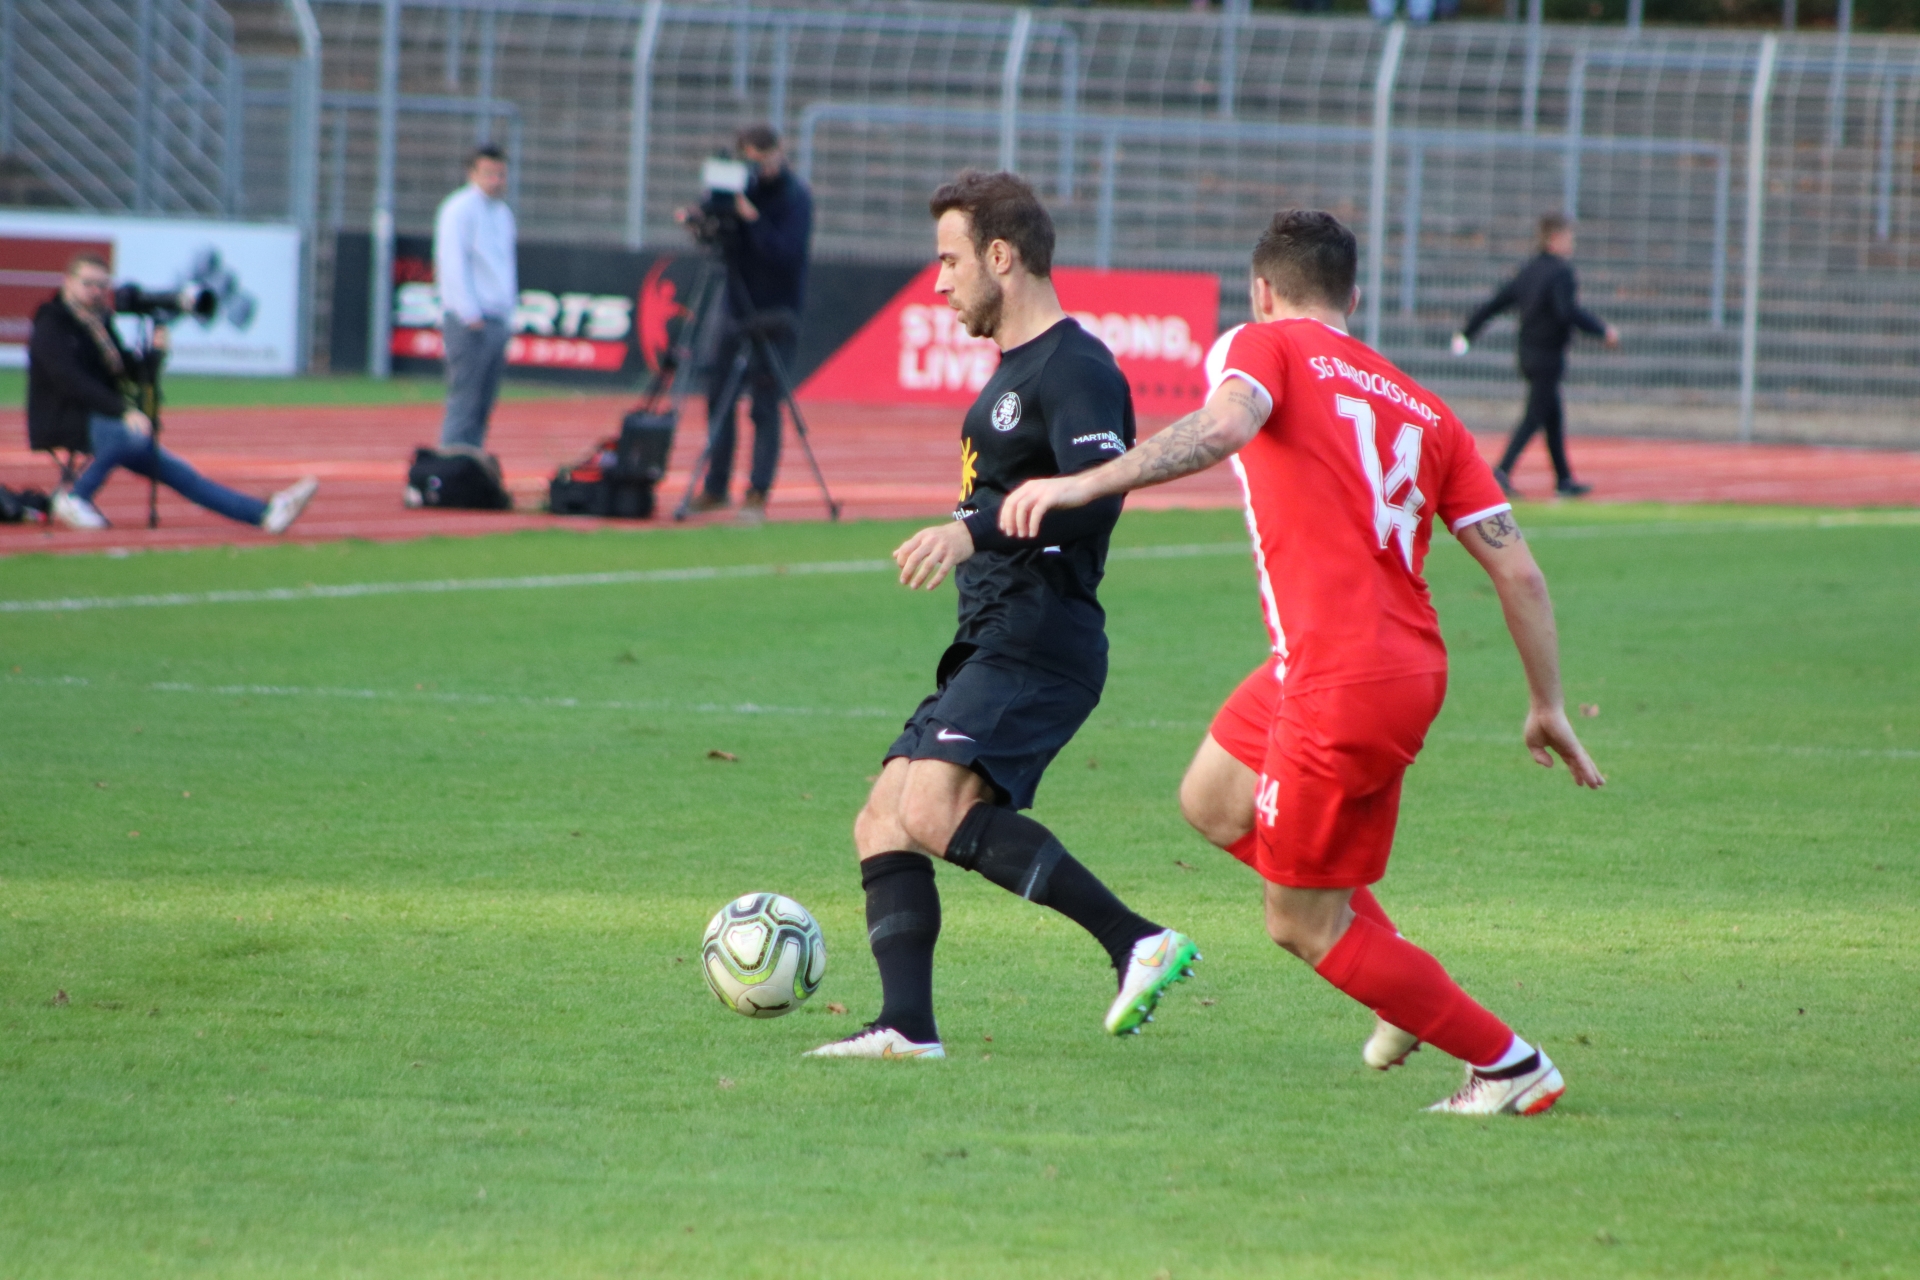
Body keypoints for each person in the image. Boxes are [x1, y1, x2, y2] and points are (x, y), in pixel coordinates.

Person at [999, 210, 1605, 1116]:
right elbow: (1518, 569)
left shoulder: (1263, 345)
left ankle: (1510, 1065)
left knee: (1299, 923)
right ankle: (1392, 984)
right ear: (1352, 296)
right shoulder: (1424, 407)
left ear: (1262, 292)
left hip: (1339, 675)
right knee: (1212, 797)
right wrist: (1546, 702)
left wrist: (1085, 480)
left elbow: (1224, 427)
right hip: (1386, 665)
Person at [805, 171, 1199, 1062]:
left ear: (1000, 256)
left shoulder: (1076, 366)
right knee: (885, 818)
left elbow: (1097, 494)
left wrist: (969, 531)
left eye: (949, 261)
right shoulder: (1011, 374)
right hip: (989, 638)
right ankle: (907, 1026)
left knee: (932, 805)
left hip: (1041, 636)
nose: (938, 282)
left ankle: (1136, 941)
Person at [28, 253, 317, 532]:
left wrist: (155, 354)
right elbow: (71, 380)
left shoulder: (100, 323)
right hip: (62, 418)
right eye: (88, 284)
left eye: (102, 285)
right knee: (129, 435)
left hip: (104, 419)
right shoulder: (52, 324)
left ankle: (264, 514)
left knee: (180, 474)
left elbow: (128, 372)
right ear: (68, 281)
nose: (96, 292)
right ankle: (76, 497)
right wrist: (123, 411)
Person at [684, 125, 812, 521]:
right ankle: (715, 487)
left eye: (764, 161)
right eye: (751, 162)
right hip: (734, 304)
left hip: (776, 310)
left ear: (778, 153)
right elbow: (722, 240)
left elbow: (785, 255)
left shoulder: (795, 197)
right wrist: (702, 223)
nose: (759, 170)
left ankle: (757, 492)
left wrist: (751, 218)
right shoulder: (740, 188)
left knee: (764, 404)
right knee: (717, 395)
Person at [1453, 213, 1619, 499]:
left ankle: (1563, 479)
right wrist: (1601, 330)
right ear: (1555, 238)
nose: (1571, 243)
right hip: (1548, 356)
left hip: (1527, 354)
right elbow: (1566, 311)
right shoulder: (1560, 273)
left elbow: (1495, 304)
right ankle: (1501, 472)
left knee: (1552, 416)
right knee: (1534, 416)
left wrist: (1466, 334)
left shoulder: (1529, 271)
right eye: (1568, 237)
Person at [434, 144, 517, 450]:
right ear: (472, 174)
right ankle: (451, 459)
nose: (496, 181)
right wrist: (468, 312)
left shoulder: (503, 214)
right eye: (488, 173)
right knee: (465, 399)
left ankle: (471, 461)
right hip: (470, 319)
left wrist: (508, 312)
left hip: (496, 316)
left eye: (500, 174)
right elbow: (453, 263)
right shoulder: (459, 210)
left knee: (484, 403)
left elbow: (505, 266)